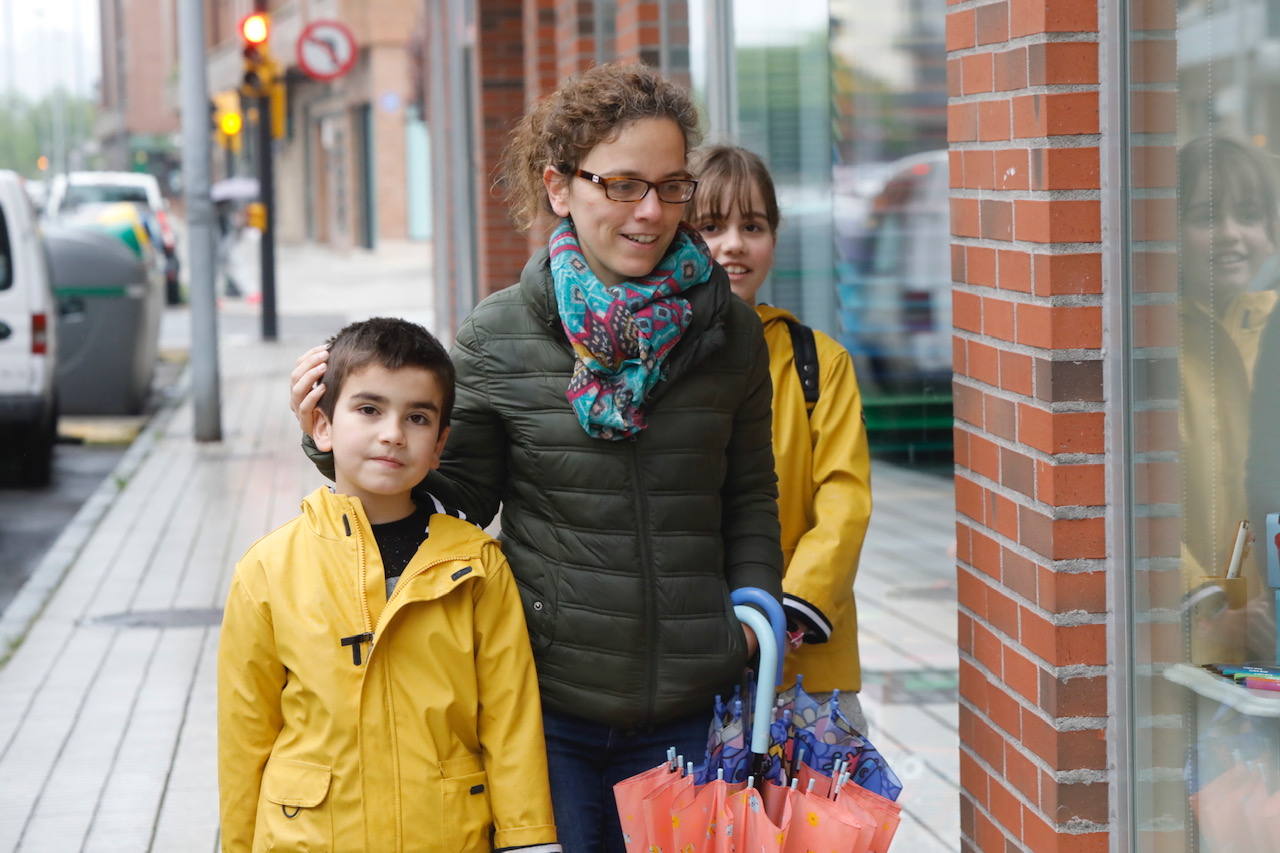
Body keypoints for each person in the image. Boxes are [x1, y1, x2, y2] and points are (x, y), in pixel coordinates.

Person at [290, 64, 783, 850]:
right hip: (545, 713)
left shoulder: (731, 335)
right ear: (561, 187)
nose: (651, 212)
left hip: (696, 704)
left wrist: (753, 618)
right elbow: (453, 502)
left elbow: (750, 494)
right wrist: (339, 444)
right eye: (622, 184)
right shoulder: (498, 334)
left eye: (670, 185)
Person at [219, 318, 559, 853]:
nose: (393, 433)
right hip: (310, 836)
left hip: (443, 834)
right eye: (369, 409)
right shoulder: (267, 570)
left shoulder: (476, 566)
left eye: (417, 417)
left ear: (439, 444)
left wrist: (528, 839)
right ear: (322, 425)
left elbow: (510, 720)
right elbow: (245, 737)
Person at [687, 144, 873, 730]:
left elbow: (844, 498)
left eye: (754, 225)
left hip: (803, 665)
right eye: (711, 226)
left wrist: (790, 609)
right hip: (689, 668)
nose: (734, 244)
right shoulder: (652, 359)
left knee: (813, 822)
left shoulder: (819, 362)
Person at [1177, 136, 1280, 660]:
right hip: (1189, 642)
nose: (1231, 235)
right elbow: (1126, 507)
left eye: (1249, 215)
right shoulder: (1146, 351)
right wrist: (1208, 609)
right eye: (1204, 216)